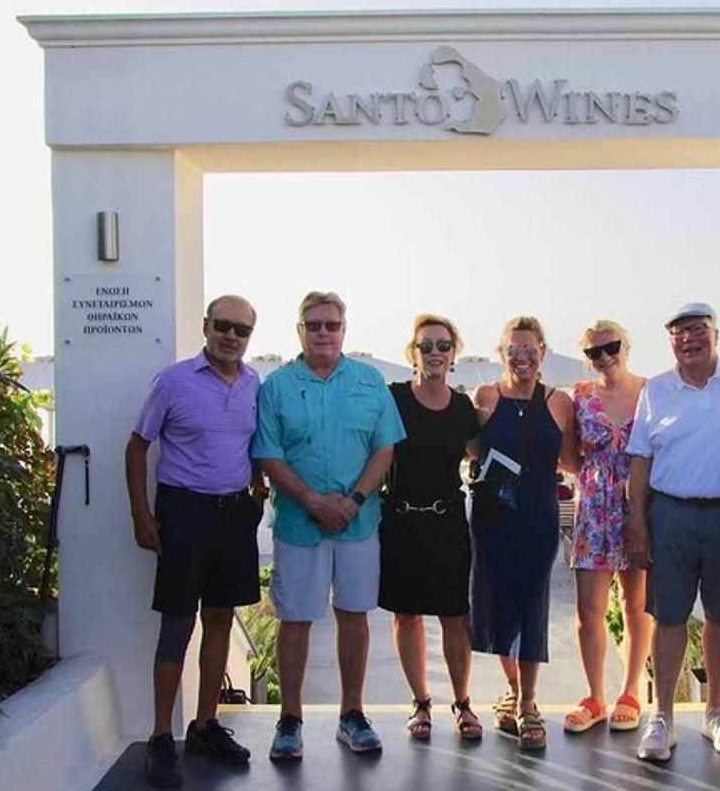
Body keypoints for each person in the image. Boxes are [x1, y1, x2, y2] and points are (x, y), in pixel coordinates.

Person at [251, 291, 405, 758]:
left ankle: (352, 715)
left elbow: (384, 448)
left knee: (354, 616)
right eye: (313, 324)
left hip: (359, 524)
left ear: (344, 330)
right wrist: (312, 501)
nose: (323, 332)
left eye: (331, 325)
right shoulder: (276, 386)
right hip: (300, 525)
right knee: (295, 620)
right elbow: (268, 454)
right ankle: (290, 719)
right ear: (299, 330)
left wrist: (353, 501)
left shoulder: (369, 381)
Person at [626, 301, 720, 762]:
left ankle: (716, 712)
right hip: (670, 514)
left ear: (716, 333)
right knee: (669, 615)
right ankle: (662, 717)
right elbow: (640, 461)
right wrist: (638, 523)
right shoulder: (656, 390)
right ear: (670, 340)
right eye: (679, 332)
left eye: (698, 329)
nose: (689, 339)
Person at [125, 295, 265, 788]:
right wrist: (141, 515)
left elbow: (253, 445)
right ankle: (162, 736)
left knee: (221, 619)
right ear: (206, 325)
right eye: (223, 326)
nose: (231, 336)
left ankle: (205, 725)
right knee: (178, 624)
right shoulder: (173, 381)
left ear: (250, 336)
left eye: (241, 330)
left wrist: (258, 493)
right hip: (183, 513)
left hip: (233, 515)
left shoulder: (253, 382)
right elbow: (137, 447)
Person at [470, 316, 575, 751]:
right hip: (493, 515)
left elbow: (572, 460)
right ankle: (513, 690)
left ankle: (528, 701)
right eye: (514, 350)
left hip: (538, 514)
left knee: (532, 603)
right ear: (501, 353)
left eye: (530, 349)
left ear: (543, 353)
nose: (522, 357)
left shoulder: (559, 402)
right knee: (497, 604)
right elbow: (471, 450)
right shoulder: (485, 396)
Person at [378, 313, 483, 741]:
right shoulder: (394, 398)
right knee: (406, 615)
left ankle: (462, 702)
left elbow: (481, 453)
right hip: (400, 521)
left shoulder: (463, 407)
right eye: (426, 346)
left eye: (443, 346)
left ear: (454, 355)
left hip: (447, 522)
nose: (435, 353)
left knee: (455, 615)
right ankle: (421, 703)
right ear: (413, 353)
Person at [559, 320, 653, 734]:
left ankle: (630, 693)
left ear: (625, 346)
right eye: (594, 351)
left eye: (611, 346)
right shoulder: (578, 396)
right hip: (595, 508)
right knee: (589, 609)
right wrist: (598, 479)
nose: (604, 356)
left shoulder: (651, 391)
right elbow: (568, 457)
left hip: (638, 507)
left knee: (637, 605)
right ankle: (595, 695)